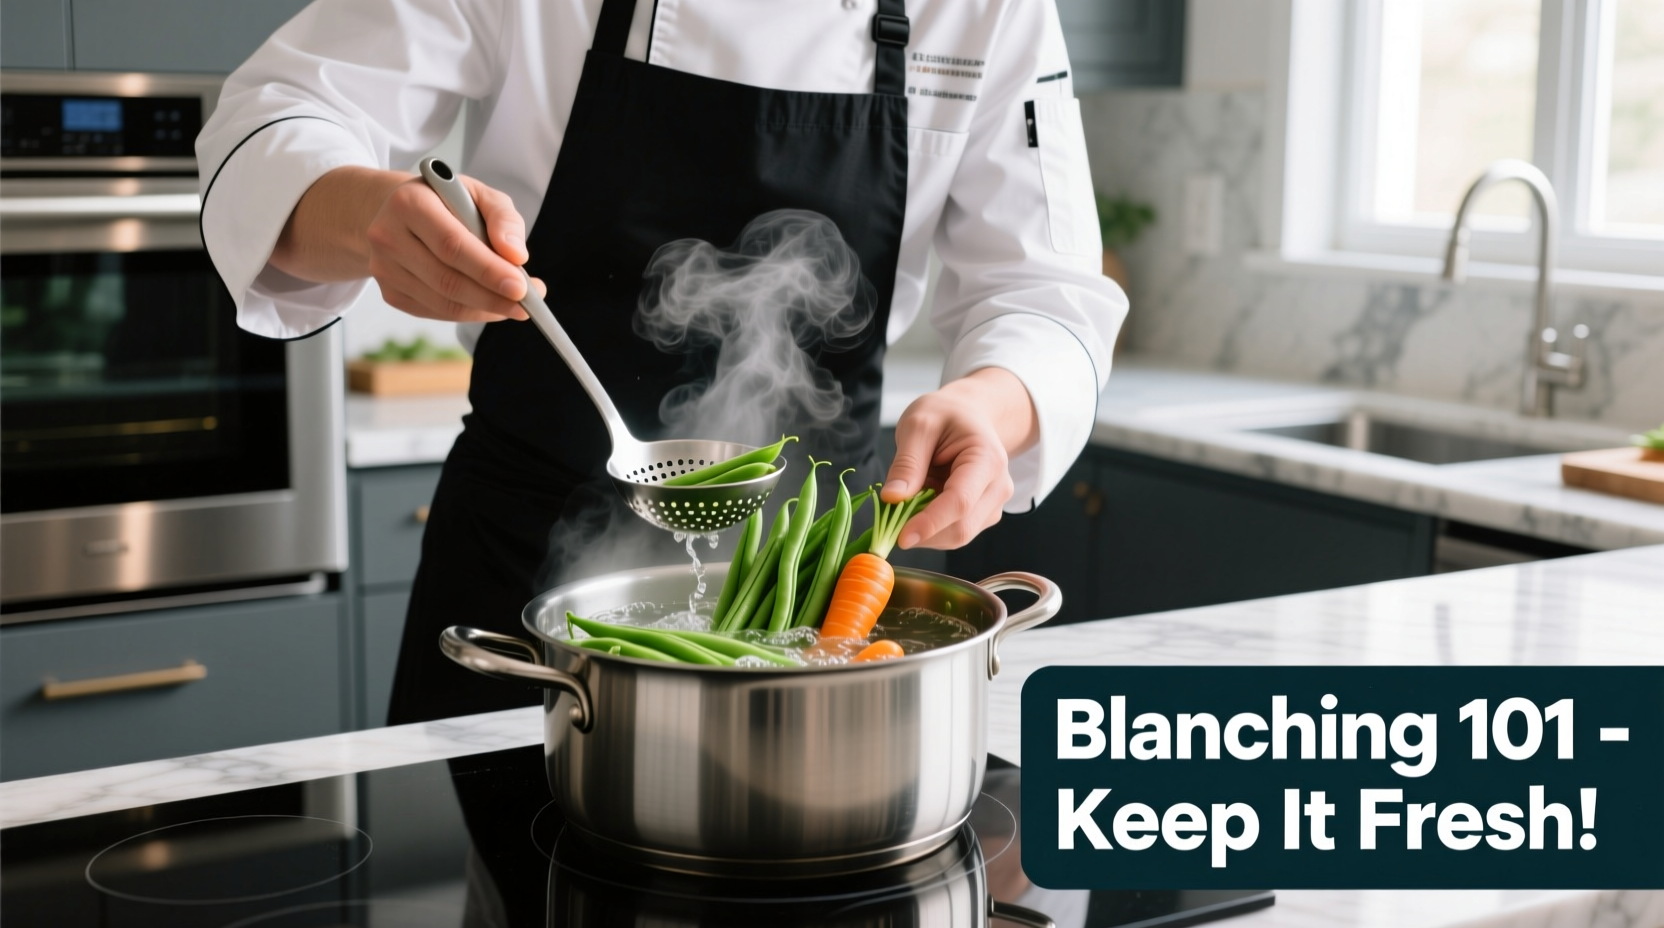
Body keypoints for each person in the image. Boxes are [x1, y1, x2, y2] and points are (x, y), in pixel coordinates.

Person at [196, 0, 1126, 724]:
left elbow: (1042, 290)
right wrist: (366, 214)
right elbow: (281, 114)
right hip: (521, 566)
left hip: (813, 597)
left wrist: (997, 403)